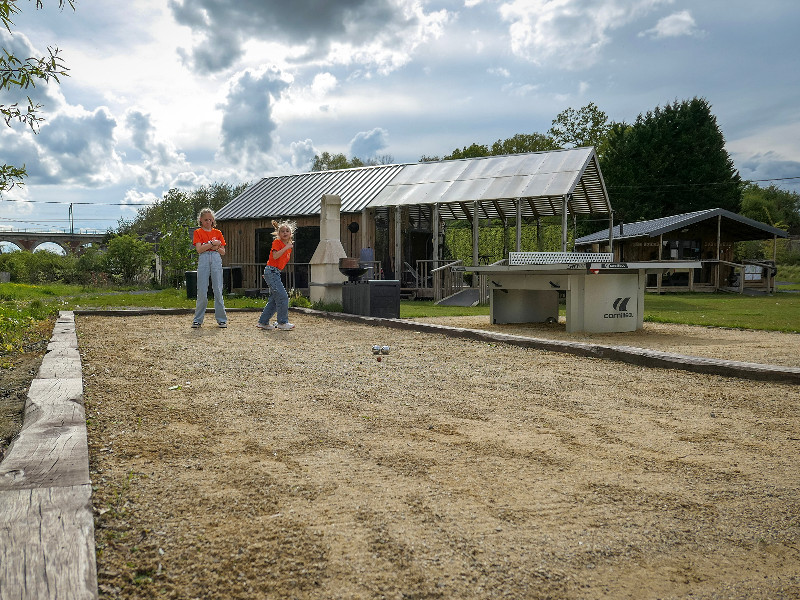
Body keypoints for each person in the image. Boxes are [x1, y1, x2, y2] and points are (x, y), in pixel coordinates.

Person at [257, 219, 296, 331]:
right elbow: (275, 256)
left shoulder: (288, 246)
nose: (285, 232)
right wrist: (286, 248)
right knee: (283, 296)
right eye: (282, 231)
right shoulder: (277, 243)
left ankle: (263, 322)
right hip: (272, 271)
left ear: (290, 234)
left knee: (275, 299)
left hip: (274, 272)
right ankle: (282, 322)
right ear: (278, 234)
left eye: (287, 231)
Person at [191, 208, 227, 328]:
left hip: (216, 258)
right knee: (202, 289)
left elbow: (223, 251)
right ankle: (198, 319)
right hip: (204, 258)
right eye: (206, 220)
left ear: (213, 220)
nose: (208, 222)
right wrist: (212, 244)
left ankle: (222, 319)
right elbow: (199, 249)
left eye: (210, 219)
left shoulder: (218, 232)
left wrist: (215, 247)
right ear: (200, 220)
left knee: (217, 288)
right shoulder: (198, 232)